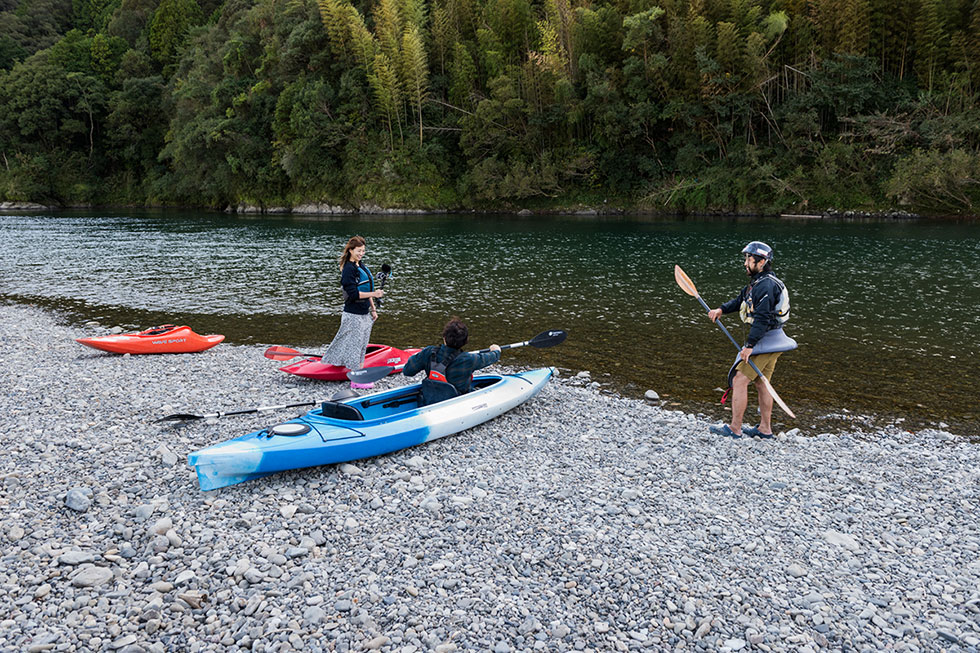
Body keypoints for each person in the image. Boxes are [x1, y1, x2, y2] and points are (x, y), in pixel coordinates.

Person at [707, 241, 795, 439]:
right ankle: (765, 429)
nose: (745, 263)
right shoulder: (758, 282)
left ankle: (735, 428)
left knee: (739, 380)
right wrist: (721, 310)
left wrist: (749, 346)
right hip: (774, 340)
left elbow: (762, 318)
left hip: (766, 341)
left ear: (762, 261)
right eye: (745, 258)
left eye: (749, 259)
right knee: (762, 383)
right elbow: (740, 301)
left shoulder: (766, 285)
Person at [320, 236, 385, 388]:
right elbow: (354, 294)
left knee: (363, 345)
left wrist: (373, 309)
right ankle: (355, 381)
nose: (361, 253)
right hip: (352, 314)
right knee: (354, 346)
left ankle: (360, 374)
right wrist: (375, 295)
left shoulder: (360, 265)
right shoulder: (348, 269)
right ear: (350, 250)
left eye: (363, 251)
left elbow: (366, 289)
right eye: (358, 251)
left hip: (364, 314)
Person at [402, 318, 501, 405]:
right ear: (465, 341)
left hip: (431, 398)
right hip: (456, 402)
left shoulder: (428, 352)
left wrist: (420, 357)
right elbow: (491, 358)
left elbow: (407, 371)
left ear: (444, 338)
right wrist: (496, 350)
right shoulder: (469, 359)